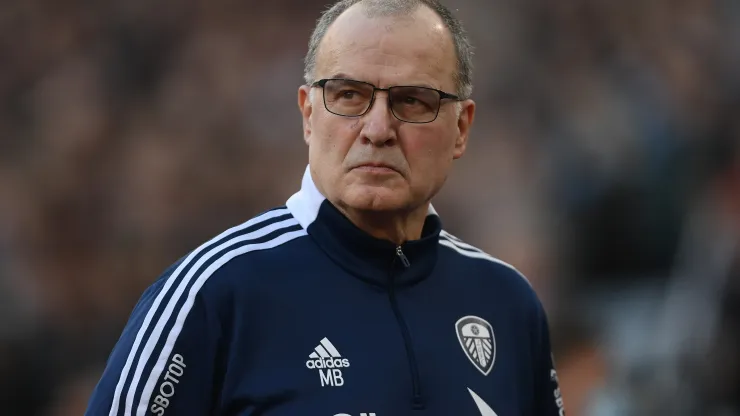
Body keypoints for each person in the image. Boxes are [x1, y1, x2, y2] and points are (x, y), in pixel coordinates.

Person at [85, 0, 566, 415]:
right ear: (308, 115)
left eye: (413, 101)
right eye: (349, 95)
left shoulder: (508, 304)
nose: (377, 129)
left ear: (461, 127)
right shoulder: (212, 295)